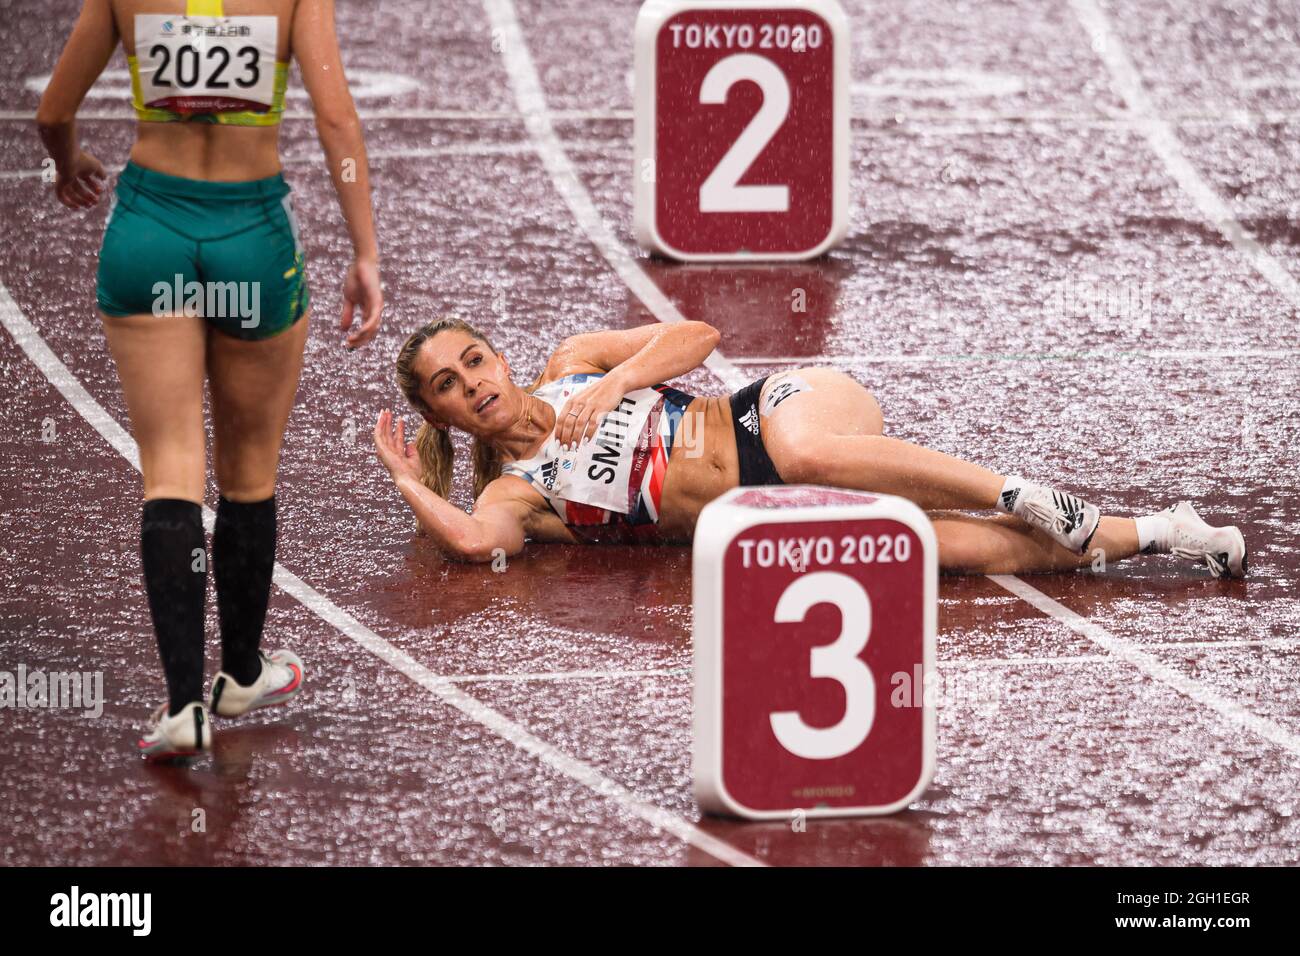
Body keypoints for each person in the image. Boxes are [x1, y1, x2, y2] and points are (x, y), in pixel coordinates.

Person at [37, 0, 383, 760]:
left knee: (169, 468)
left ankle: (183, 706)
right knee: (250, 471)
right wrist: (365, 253)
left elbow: (53, 109)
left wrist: (68, 165)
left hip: (148, 232)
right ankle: (242, 672)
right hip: (251, 240)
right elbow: (336, 122)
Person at [376, 318, 1246, 579]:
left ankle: (1011, 486)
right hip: (766, 512)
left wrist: (612, 383)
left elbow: (698, 335)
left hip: (776, 413)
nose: (473, 383)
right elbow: (470, 542)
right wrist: (409, 482)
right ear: (444, 415)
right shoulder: (513, 495)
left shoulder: (570, 363)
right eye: (448, 386)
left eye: (475, 360)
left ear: (498, 352)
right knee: (934, 549)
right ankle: (1159, 534)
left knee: (805, 455)